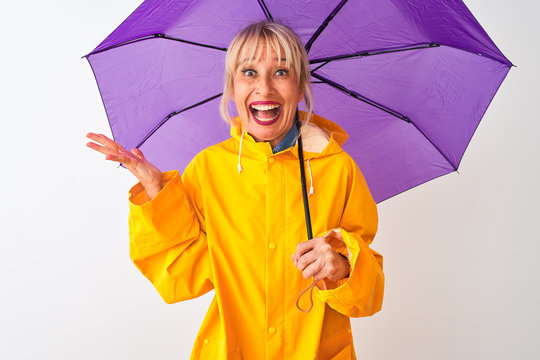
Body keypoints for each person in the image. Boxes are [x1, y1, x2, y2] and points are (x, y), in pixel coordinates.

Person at [87, 21, 384, 360]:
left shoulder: (337, 167)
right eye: (249, 73)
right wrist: (157, 193)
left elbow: (369, 294)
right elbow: (180, 278)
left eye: (282, 72)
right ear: (232, 87)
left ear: (301, 87)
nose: (264, 88)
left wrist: (342, 266)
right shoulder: (209, 168)